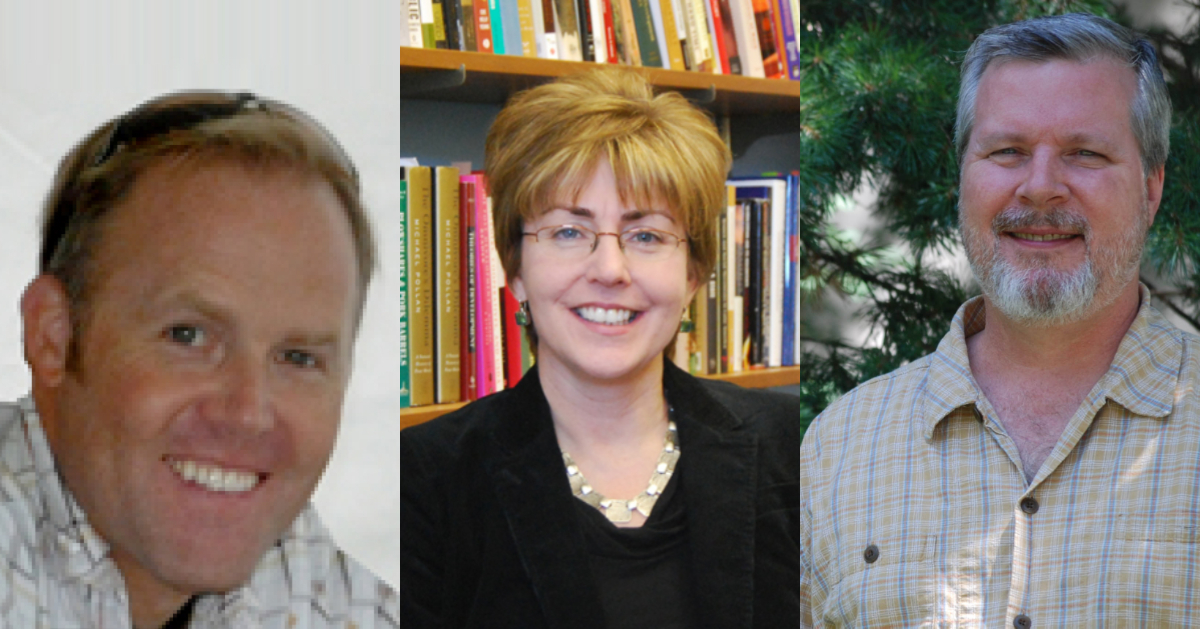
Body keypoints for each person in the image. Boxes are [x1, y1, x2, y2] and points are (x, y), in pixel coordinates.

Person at [799, 12, 1200, 626]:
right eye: (1007, 151)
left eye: (1084, 153)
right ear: (963, 175)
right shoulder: (838, 449)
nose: (1040, 188)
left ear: (1151, 190)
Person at [400, 69, 800, 628]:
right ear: (515, 269)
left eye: (647, 236)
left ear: (692, 276)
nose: (610, 270)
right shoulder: (421, 482)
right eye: (568, 232)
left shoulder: (794, 447)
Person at [4, 91, 398, 627]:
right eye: (188, 336)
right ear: (52, 337)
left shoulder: (312, 580)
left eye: (298, 358)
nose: (248, 414)